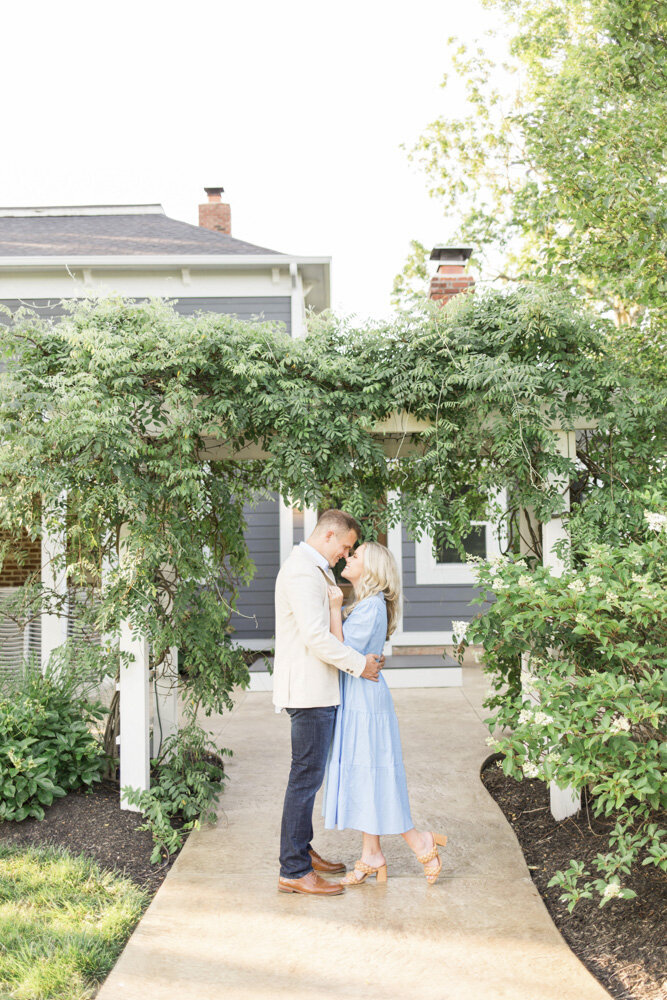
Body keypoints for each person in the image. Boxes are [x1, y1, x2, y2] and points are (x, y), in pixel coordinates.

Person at [322, 540, 448, 885]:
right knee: (366, 773)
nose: (348, 557)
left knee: (375, 772)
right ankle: (371, 854)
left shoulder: (371, 607)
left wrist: (334, 609)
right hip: (358, 695)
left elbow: (341, 650)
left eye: (356, 555)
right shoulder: (367, 604)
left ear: (372, 569)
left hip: (365, 700)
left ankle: (420, 840)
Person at [274, 509, 386, 896]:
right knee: (304, 778)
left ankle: (301, 850)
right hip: (308, 691)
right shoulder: (303, 571)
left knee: (309, 776)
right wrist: (361, 666)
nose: (345, 554)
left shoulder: (315, 567)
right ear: (329, 536)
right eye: (346, 546)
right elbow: (316, 638)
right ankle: (294, 869)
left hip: (319, 689)